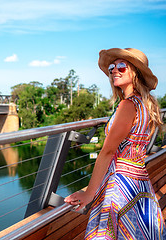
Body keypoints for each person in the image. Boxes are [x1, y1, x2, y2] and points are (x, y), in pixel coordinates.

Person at [64, 48, 165, 239]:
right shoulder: (145, 104)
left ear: (135, 71)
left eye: (122, 66)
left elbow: (108, 152)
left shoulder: (128, 105)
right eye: (112, 67)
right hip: (139, 182)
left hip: (119, 185)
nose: (114, 71)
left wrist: (89, 194)